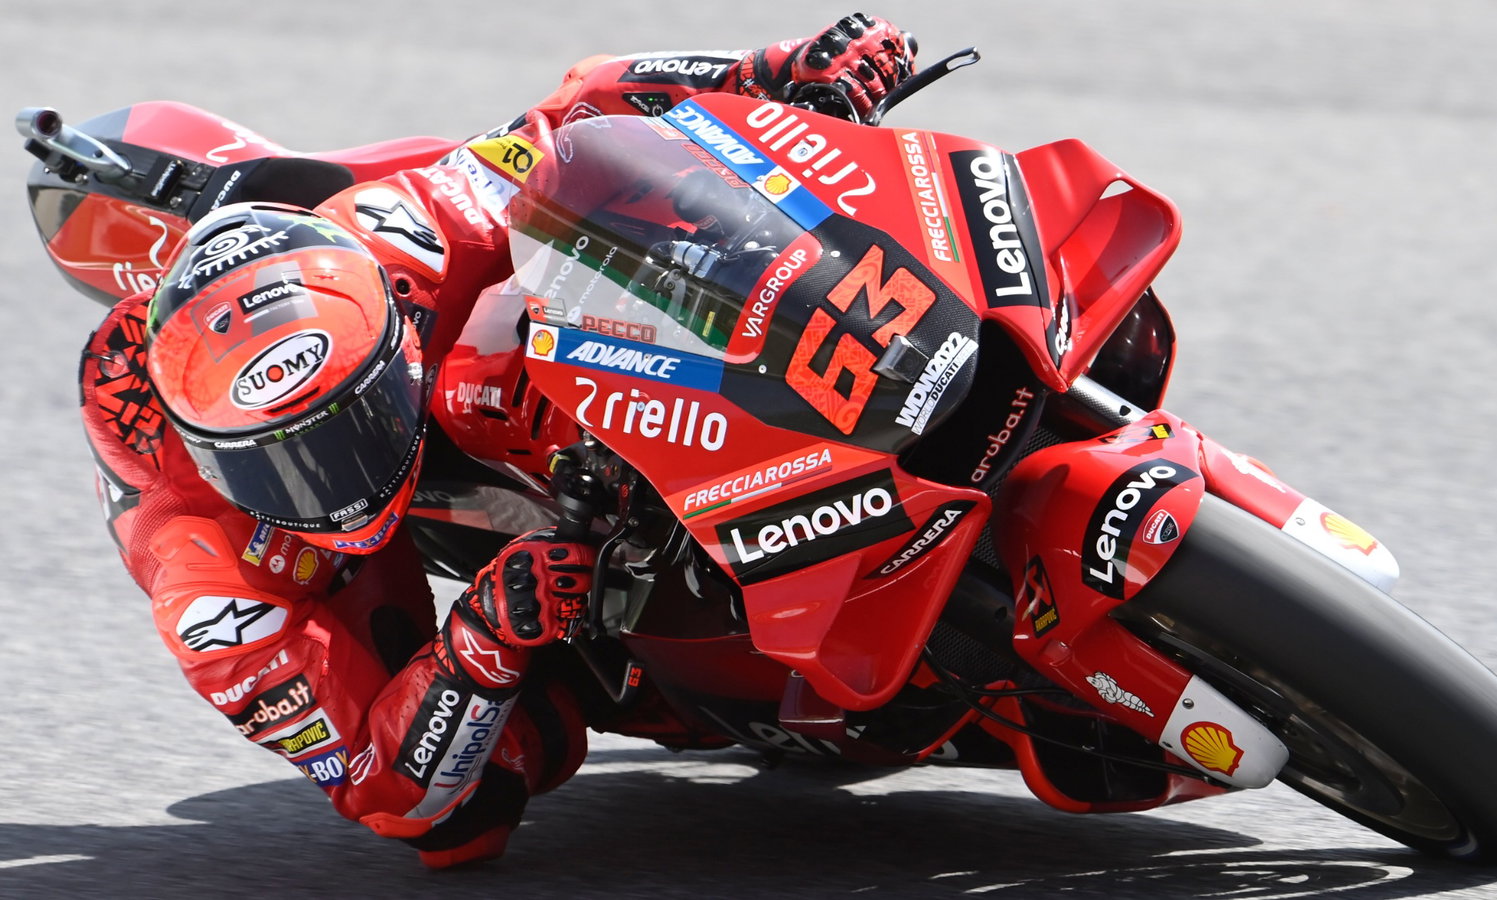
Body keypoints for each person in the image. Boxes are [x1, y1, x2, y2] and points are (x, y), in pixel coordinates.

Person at [78, 15, 915, 869]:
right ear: (214, 456)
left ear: (393, 334)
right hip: (326, 570)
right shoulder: (209, 585)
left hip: (430, 359)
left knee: (546, 302)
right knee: (463, 820)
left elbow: (565, 118)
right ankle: (645, 671)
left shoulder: (393, 238)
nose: (337, 480)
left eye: (352, 427)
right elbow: (384, 791)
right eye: (285, 464)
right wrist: (484, 638)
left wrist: (769, 71)